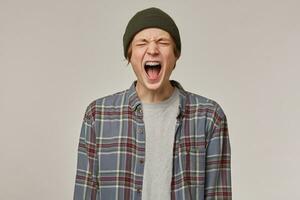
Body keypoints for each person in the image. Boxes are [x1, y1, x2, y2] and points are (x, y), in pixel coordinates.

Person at [74, 7, 231, 200]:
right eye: (142, 43)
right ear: (130, 55)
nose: (153, 49)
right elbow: (85, 193)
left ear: (175, 55)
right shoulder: (98, 116)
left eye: (162, 42)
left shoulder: (209, 117)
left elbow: (218, 195)